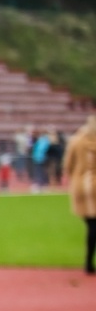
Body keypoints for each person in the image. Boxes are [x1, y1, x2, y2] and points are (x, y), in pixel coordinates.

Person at [66, 117, 96, 275]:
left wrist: (75, 177)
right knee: (94, 225)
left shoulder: (76, 141)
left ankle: (88, 262)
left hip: (80, 185)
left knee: (91, 224)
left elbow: (68, 164)